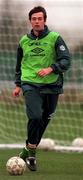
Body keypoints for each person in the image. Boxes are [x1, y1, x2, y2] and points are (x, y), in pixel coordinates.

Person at [13, 6, 70, 171]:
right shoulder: (23, 41)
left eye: (40, 19)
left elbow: (66, 60)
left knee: (44, 120)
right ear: (30, 21)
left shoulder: (55, 38)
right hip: (30, 83)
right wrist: (18, 84)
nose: (37, 21)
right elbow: (19, 65)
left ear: (44, 20)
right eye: (34, 19)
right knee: (36, 116)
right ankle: (32, 154)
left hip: (52, 86)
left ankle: (28, 148)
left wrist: (51, 68)